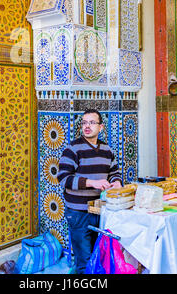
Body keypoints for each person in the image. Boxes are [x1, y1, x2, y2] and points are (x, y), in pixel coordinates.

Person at [57, 109, 122, 274]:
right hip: (78, 212)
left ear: (101, 127)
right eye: (84, 122)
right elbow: (63, 178)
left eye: (92, 123)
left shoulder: (107, 150)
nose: (87, 126)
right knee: (84, 261)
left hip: (100, 209)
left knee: (97, 255)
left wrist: (117, 182)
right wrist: (93, 183)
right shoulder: (73, 149)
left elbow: (114, 172)